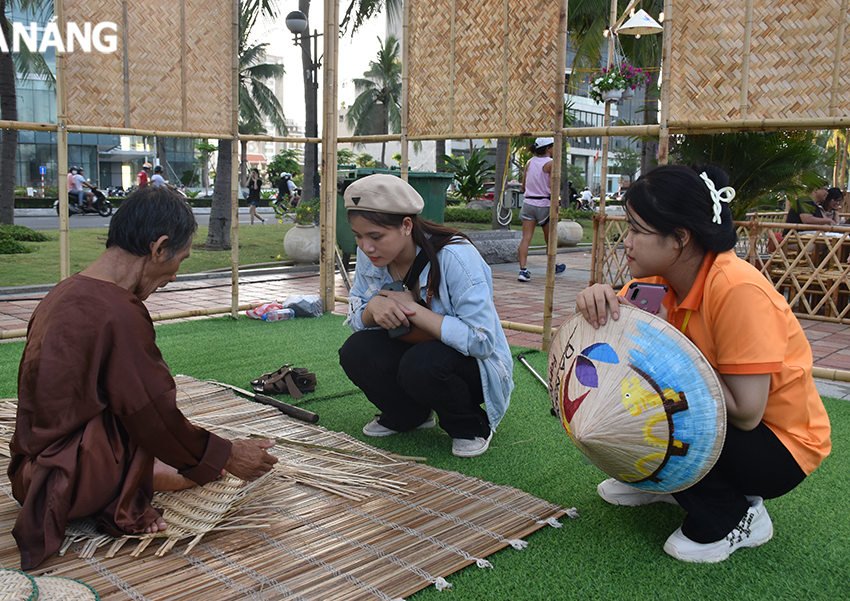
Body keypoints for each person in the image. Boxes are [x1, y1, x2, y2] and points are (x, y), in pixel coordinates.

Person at [8, 186, 279, 570]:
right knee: (143, 423)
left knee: (148, 429)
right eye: (179, 260)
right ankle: (127, 492)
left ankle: (158, 472)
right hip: (69, 483)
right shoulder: (117, 310)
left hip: (28, 476)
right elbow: (151, 415)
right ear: (159, 248)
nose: (172, 276)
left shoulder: (64, 291)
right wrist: (227, 455)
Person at [576, 164, 831, 563]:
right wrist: (595, 299)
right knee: (630, 396)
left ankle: (734, 517)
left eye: (637, 230)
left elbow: (748, 413)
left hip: (779, 447)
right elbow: (616, 334)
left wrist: (672, 348)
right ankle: (664, 481)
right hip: (734, 428)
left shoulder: (737, 289)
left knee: (661, 413)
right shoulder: (660, 281)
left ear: (679, 238)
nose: (625, 242)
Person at [338, 174, 514, 458]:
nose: (366, 247)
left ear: (406, 225)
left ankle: (470, 425)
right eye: (358, 235)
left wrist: (413, 310)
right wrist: (372, 310)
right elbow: (358, 316)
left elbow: (482, 341)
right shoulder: (371, 256)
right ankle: (409, 415)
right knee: (356, 351)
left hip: (472, 366)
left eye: (375, 236)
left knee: (421, 363)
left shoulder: (456, 256)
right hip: (415, 352)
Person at [516, 138, 565, 282]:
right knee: (549, 239)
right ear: (548, 148)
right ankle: (552, 267)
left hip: (529, 203)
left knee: (526, 238)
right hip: (544, 203)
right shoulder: (550, 163)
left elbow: (524, 185)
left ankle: (523, 270)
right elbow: (552, 187)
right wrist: (556, 204)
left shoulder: (529, 163)